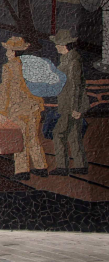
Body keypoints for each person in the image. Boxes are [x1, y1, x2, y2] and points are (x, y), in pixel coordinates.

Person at [0, 36, 48, 180]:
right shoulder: (30, 66)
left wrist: (1, 111)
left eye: (8, 50)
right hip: (33, 107)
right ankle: (41, 167)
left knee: (19, 139)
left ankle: (22, 171)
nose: (7, 53)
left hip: (17, 109)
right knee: (33, 138)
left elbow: (5, 91)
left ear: (14, 52)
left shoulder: (8, 68)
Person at [49, 29, 89, 176]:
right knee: (73, 134)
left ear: (63, 45)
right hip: (69, 104)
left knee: (58, 133)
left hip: (71, 105)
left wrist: (76, 108)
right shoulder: (67, 59)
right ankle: (80, 165)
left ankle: (62, 166)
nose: (55, 47)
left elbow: (76, 86)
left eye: (57, 44)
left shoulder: (73, 61)